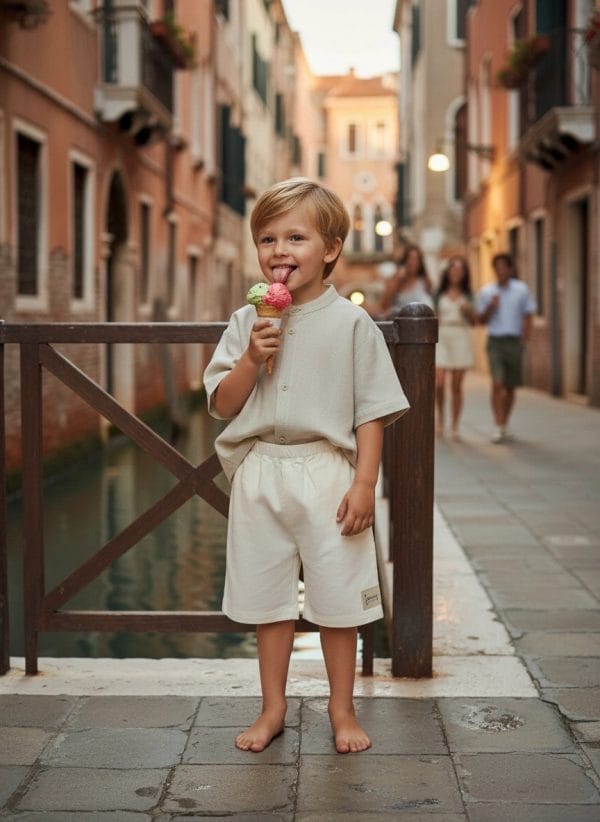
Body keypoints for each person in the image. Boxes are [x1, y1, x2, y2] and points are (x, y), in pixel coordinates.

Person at [203, 178, 409, 754]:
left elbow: (372, 412)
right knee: (269, 601)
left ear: (331, 249)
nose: (279, 251)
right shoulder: (246, 323)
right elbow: (222, 404)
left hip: (327, 473)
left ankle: (341, 708)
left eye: (296, 237)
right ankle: (272, 708)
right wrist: (250, 358)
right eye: (267, 238)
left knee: (339, 603)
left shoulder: (351, 324)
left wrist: (365, 484)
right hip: (261, 470)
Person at [477, 252, 535, 443]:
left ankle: (505, 423)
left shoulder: (521, 289)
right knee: (497, 383)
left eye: (504, 266)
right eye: (497, 267)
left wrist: (524, 341)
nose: (501, 270)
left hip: (514, 341)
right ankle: (498, 424)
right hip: (495, 341)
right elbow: (480, 320)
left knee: (510, 386)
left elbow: (528, 315)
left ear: (510, 269)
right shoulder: (487, 292)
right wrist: (491, 307)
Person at [434, 256, 476, 441]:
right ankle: (441, 420)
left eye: (460, 270)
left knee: (457, 386)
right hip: (442, 336)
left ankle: (455, 425)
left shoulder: (469, 295)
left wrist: (467, 310)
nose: (456, 273)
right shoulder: (439, 294)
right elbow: (433, 316)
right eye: (453, 269)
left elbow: (475, 322)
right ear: (448, 272)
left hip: (461, 336)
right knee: (439, 383)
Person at [378, 243, 434, 316]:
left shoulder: (424, 281)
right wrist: (397, 280)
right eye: (410, 259)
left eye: (416, 259)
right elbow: (384, 306)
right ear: (405, 260)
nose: (413, 263)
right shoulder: (397, 279)